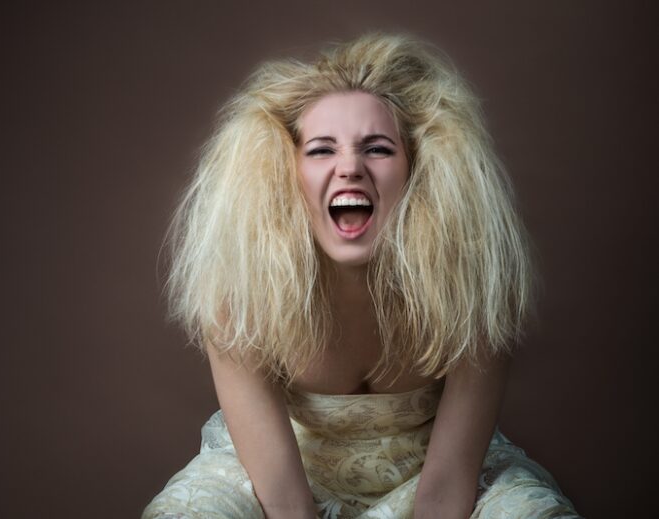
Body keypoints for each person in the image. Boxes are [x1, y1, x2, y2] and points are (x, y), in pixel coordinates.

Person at [143, 33, 580, 519]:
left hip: (432, 474)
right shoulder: (239, 296)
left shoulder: (474, 288)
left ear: (418, 170)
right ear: (282, 173)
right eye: (321, 150)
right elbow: (285, 504)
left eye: (377, 149)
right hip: (280, 482)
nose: (349, 167)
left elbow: (446, 487)